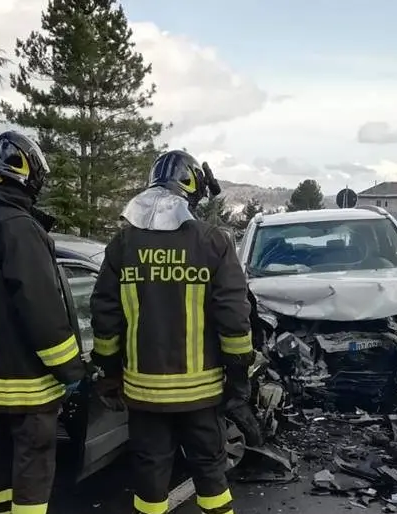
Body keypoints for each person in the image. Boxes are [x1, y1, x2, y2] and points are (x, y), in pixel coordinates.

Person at [89, 150, 259, 514]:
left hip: (144, 393)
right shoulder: (213, 242)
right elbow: (234, 316)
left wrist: (108, 371)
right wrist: (238, 373)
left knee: (150, 478)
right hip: (202, 394)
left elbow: (105, 317)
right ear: (191, 189)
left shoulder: (123, 244)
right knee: (211, 473)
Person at [0, 130, 86, 514]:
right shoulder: (19, 227)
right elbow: (41, 309)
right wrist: (71, 370)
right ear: (30, 173)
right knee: (32, 472)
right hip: (23, 384)